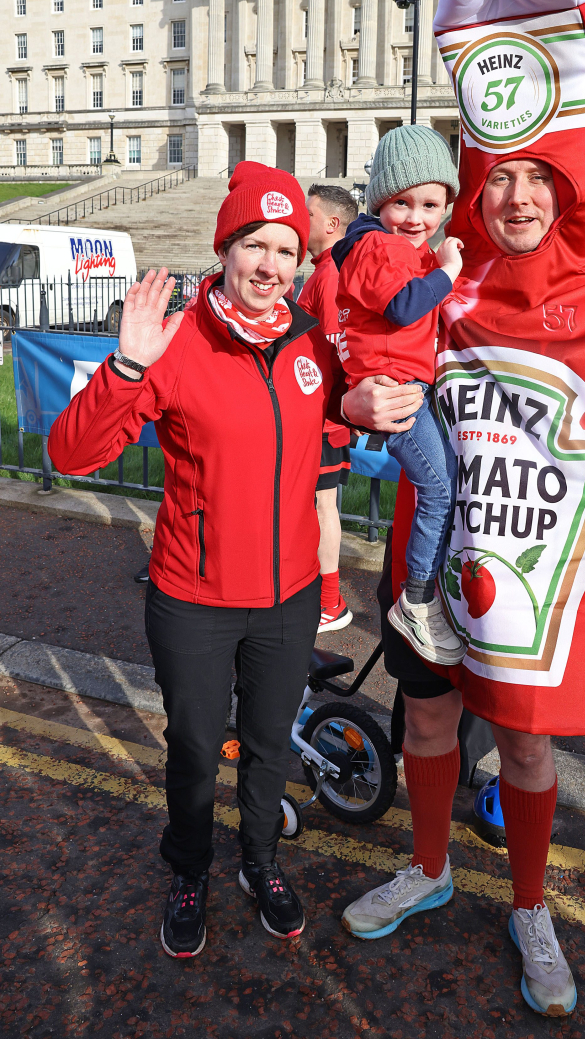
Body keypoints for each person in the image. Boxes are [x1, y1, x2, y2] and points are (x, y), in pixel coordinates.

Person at [339, 0, 585, 1019]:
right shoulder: (445, 291)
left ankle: (529, 905)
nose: (517, 195)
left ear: (566, 189)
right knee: (425, 725)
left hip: (544, 581)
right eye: (501, 176)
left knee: (523, 744)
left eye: (538, 176)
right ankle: (428, 869)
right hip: (437, 570)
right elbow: (334, 363)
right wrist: (353, 405)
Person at [49, 163, 345, 959]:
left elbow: (340, 431)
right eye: (255, 244)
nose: (271, 265)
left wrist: (372, 411)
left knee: (269, 745)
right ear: (226, 249)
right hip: (195, 597)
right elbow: (72, 453)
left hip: (286, 598)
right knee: (191, 748)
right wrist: (129, 365)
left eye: (287, 249)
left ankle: (260, 861)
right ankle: (189, 869)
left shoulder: (313, 342)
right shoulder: (176, 342)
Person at [333, 125, 465, 665]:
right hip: (394, 390)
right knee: (440, 487)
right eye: (401, 203)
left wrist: (439, 260)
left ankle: (422, 590)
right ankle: (417, 598)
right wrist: (450, 270)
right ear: (378, 203)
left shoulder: (395, 247)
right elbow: (406, 306)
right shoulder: (377, 245)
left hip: (404, 385)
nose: (416, 218)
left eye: (431, 204)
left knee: (442, 482)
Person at [299, 183, 359, 633]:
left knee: (322, 506)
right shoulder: (324, 270)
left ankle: (330, 602)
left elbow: (338, 352)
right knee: (315, 506)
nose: (302, 223)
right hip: (316, 418)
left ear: (332, 224)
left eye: (309, 215)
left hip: (322, 421)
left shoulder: (332, 272)